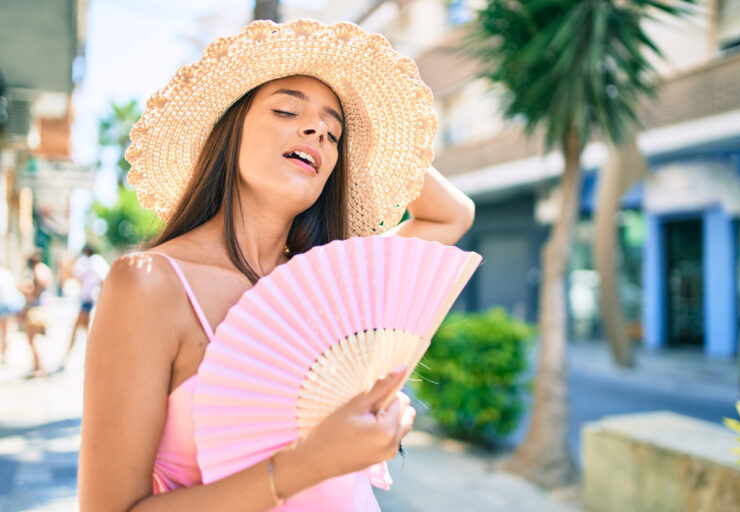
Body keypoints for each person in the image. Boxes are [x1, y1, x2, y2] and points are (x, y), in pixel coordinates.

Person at [79, 19, 474, 511]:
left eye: (334, 133)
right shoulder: (150, 285)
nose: (316, 130)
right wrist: (311, 462)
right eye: (287, 109)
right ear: (228, 131)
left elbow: (452, 215)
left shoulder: (328, 286)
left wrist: (369, 131)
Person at [62, 245, 110, 366]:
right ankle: (93, 358)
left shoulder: (93, 262)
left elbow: (103, 278)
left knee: (82, 329)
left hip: (89, 300)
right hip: (89, 300)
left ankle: (90, 358)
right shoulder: (94, 262)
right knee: (85, 330)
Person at [19, 249, 53, 377]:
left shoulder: (38, 270)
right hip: (41, 308)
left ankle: (39, 366)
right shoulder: (44, 268)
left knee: (32, 338)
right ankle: (38, 365)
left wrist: (30, 293)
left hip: (36, 308)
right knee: (34, 338)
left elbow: (36, 286)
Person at [0, 266, 25, 363]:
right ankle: (5, 352)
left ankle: (4, 352)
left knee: (4, 331)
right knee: (6, 330)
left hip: (2, 305)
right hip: (7, 304)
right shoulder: (7, 274)